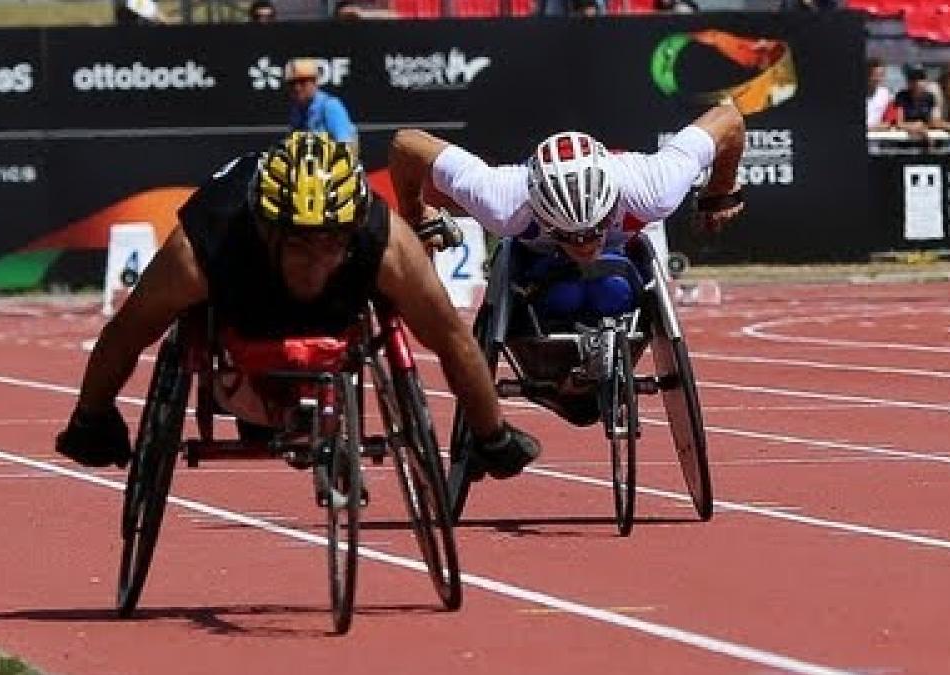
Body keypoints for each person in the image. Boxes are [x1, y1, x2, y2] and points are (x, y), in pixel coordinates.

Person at [55, 132, 540, 481]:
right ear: (268, 232)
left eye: (332, 244)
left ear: (353, 234)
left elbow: (451, 338)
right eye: (301, 245)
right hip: (243, 325)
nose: (317, 260)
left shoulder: (385, 241)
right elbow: (129, 330)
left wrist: (491, 432)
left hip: (332, 321)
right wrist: (91, 417)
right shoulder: (205, 245)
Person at [387, 103, 744, 427]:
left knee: (611, 291)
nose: (586, 246)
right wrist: (415, 213)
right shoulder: (503, 199)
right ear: (539, 211)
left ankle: (589, 369)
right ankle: (563, 379)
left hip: (618, 268)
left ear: (611, 207)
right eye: (571, 236)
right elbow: (406, 143)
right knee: (564, 297)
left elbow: (729, 119)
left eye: (595, 231)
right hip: (540, 274)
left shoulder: (652, 186)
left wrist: (720, 189)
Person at [286, 59, 358, 148]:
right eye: (292, 84)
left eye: (302, 82)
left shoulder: (330, 106)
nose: (297, 88)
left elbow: (346, 146)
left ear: (315, 82)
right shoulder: (297, 111)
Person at [892, 64, 937, 136]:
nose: (918, 82)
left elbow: (933, 121)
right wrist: (915, 127)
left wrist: (922, 127)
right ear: (909, 82)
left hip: (926, 135)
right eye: (914, 79)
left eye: (921, 78)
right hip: (905, 138)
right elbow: (899, 123)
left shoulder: (930, 97)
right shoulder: (901, 96)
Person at [865, 58, 894, 130]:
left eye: (880, 75)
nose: (877, 78)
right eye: (874, 75)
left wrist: (870, 127)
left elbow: (888, 122)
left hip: (876, 136)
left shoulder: (887, 94)